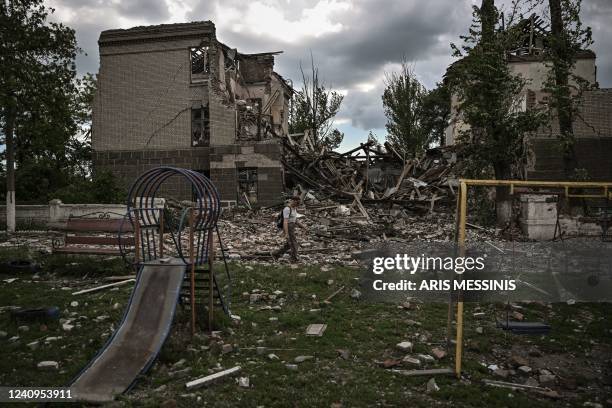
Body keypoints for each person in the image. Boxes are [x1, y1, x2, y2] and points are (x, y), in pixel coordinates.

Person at [273, 196, 305, 262]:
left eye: (298, 203)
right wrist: (286, 233)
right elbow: (285, 221)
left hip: (292, 226)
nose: (297, 205)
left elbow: (295, 220)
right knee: (293, 243)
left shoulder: (294, 209)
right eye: (297, 203)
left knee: (288, 244)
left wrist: (303, 226)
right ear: (293, 201)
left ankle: (276, 254)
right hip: (288, 227)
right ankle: (294, 258)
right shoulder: (287, 209)